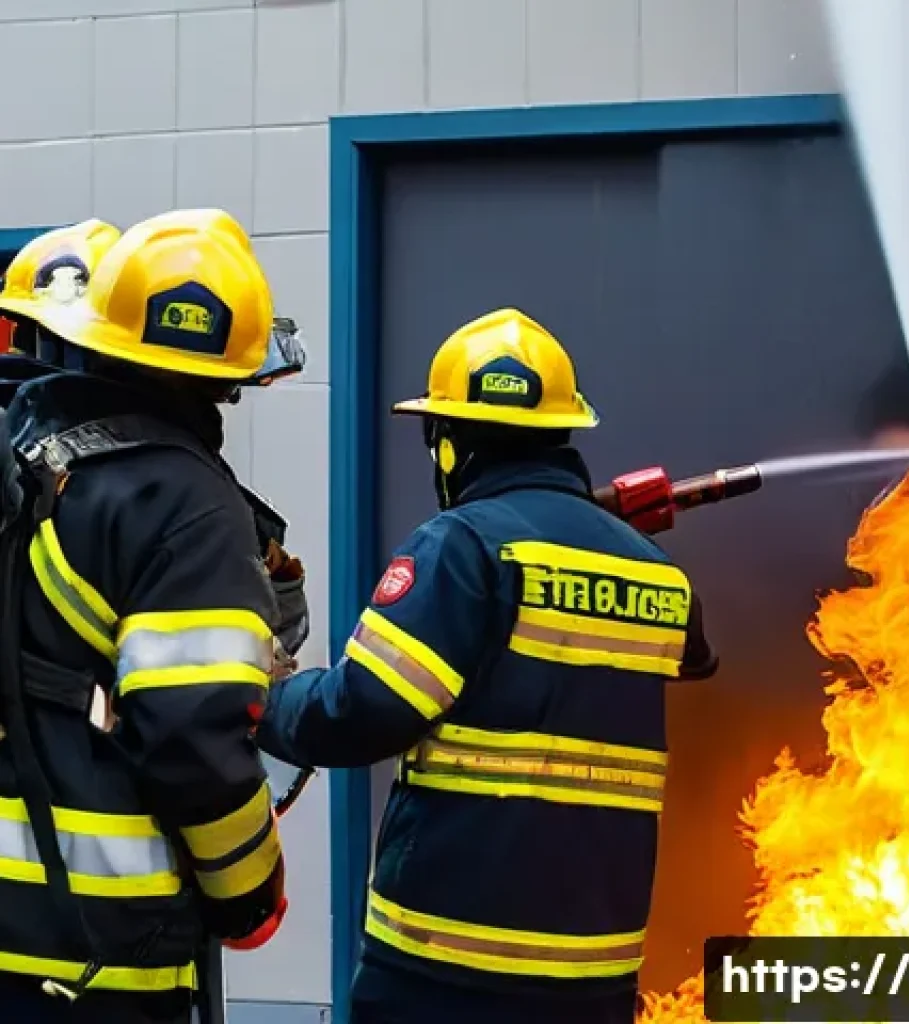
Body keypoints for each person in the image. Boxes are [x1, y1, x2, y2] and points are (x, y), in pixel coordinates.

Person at [257, 308, 719, 1024]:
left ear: (451, 445)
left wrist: (268, 697)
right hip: (595, 974)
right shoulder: (657, 573)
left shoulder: (461, 547)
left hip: (448, 970)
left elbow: (359, 712)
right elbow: (694, 656)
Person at [0, 211, 306, 1023]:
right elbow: (191, 735)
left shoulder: (28, 458)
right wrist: (249, 890)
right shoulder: (186, 501)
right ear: (232, 379)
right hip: (93, 952)